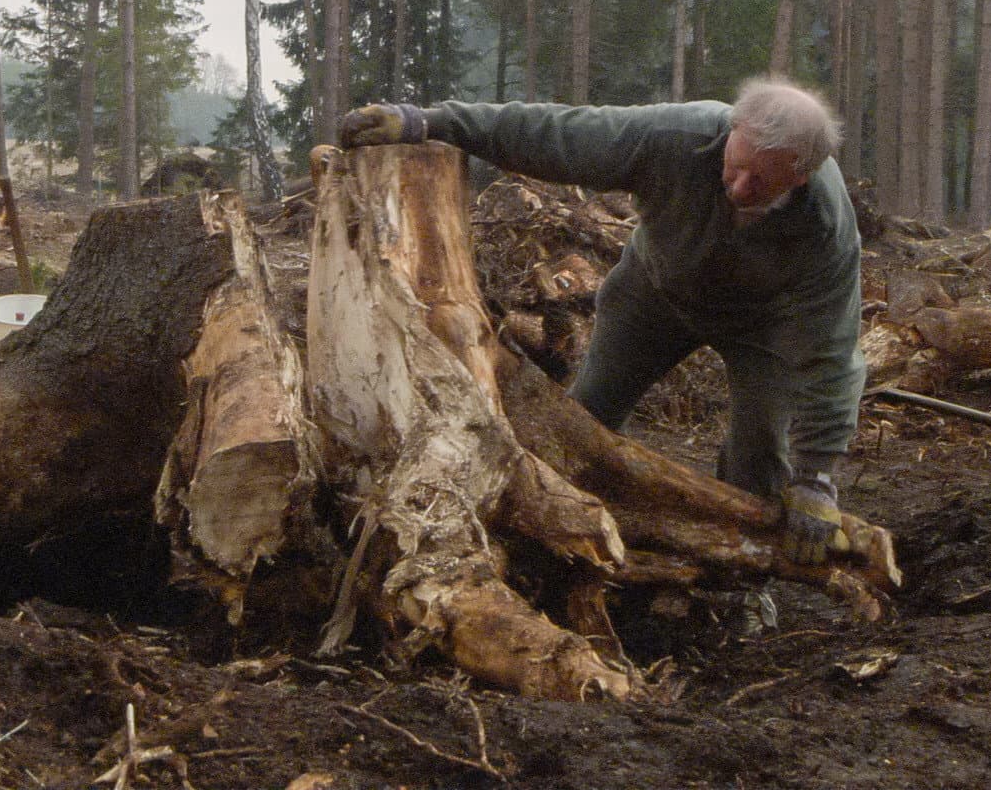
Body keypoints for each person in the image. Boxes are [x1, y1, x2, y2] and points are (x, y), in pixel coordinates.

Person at [338, 78, 863, 577]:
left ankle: (746, 583)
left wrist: (817, 475)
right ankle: (566, 548)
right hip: (652, 296)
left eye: (762, 181)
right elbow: (554, 133)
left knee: (760, 454)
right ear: (732, 131)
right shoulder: (675, 138)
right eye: (737, 165)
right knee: (584, 419)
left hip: (762, 325)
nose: (740, 186)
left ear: (801, 175)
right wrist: (432, 122)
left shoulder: (825, 225)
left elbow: (832, 350)